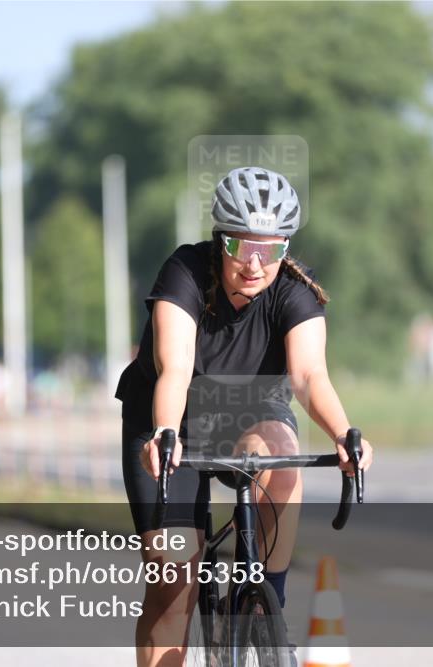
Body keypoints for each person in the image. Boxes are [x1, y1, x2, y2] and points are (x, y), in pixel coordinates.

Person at [115, 166, 374, 666]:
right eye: (242, 248)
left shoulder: (295, 291)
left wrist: (345, 434)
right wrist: (166, 432)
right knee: (174, 586)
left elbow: (309, 376)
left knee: (280, 451)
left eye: (271, 250)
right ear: (221, 240)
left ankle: (266, 601)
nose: (255, 264)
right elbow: (175, 369)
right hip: (169, 420)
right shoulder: (185, 273)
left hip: (252, 413)